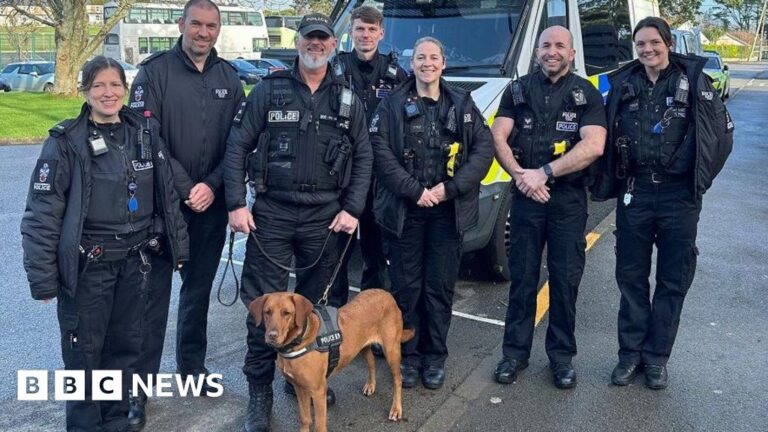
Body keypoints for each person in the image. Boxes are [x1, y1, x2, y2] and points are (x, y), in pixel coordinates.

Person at [20, 56, 188, 432]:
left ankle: (117, 423)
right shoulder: (65, 142)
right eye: (99, 86)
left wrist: (179, 249)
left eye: (114, 85)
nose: (108, 93)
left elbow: (167, 194)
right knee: (84, 358)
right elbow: (41, 214)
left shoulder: (144, 132)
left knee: (126, 352)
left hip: (136, 266)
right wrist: (44, 279)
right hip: (89, 268)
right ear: (85, 91)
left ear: (125, 90)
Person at [223, 13, 373, 432]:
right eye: (310, 38)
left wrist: (353, 208)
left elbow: (364, 157)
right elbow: (237, 146)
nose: (316, 45)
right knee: (263, 312)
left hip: (325, 217)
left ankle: (305, 377)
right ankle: (260, 394)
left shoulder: (346, 98)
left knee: (316, 310)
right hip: (272, 213)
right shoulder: (269, 91)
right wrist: (236, 204)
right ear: (298, 41)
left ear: (332, 44)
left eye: (324, 39)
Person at [592, 17, 733, 390]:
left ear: (668, 43)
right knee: (631, 278)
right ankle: (629, 356)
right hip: (635, 193)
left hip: (679, 197)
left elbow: (722, 136)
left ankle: (656, 359)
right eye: (641, 44)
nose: (647, 49)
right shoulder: (624, 83)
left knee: (673, 281)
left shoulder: (695, 82)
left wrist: (699, 180)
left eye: (654, 42)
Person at [127, 0, 244, 427]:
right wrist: (183, 186)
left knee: (196, 296)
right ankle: (137, 390)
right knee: (150, 301)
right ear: (181, 25)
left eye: (211, 25)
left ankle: (192, 370)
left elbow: (238, 143)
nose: (203, 32)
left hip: (209, 208)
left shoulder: (229, 78)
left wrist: (210, 187)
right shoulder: (154, 73)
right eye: (196, 23)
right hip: (161, 207)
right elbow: (146, 135)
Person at [370, 36, 494, 391]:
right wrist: (415, 191)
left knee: (438, 289)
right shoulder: (391, 105)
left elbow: (483, 152)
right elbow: (380, 153)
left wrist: (449, 190)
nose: (427, 63)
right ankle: (408, 357)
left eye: (434, 57)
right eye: (421, 57)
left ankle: (435, 356)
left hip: (446, 212)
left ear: (444, 63)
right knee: (407, 289)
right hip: (404, 211)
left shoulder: (463, 102)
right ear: (413, 64)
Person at [491, 26, 607, 389]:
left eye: (559, 45)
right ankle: (514, 354)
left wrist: (544, 173)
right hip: (526, 198)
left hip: (568, 201)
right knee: (522, 279)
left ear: (571, 53)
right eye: (545, 46)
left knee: (564, 281)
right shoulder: (518, 89)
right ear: (537, 51)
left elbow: (594, 146)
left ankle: (561, 359)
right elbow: (498, 135)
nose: (551, 51)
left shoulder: (586, 93)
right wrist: (523, 176)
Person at [331, 4, 407, 309]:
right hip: (340, 176)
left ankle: (372, 322)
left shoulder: (396, 74)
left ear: (381, 33)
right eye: (360, 28)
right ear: (351, 32)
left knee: (376, 255)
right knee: (336, 254)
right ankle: (331, 324)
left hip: (379, 179)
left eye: (371, 29)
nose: (365, 35)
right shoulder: (332, 69)